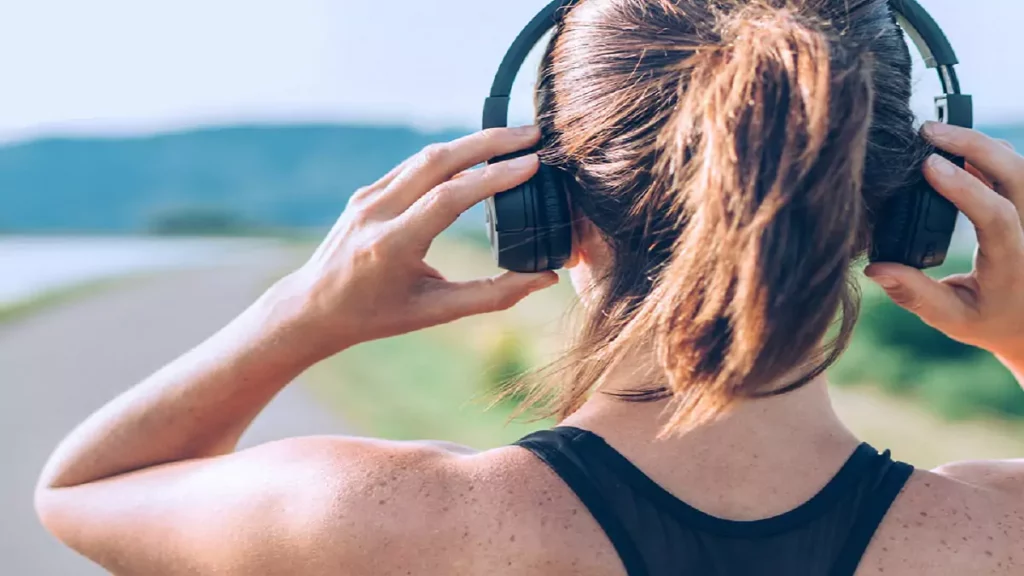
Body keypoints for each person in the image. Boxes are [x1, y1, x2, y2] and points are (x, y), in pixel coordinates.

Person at [34, 1, 1024, 574]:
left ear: (545, 210)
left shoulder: (390, 518)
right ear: (902, 214)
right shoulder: (990, 538)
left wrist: (300, 311)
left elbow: (86, 491)